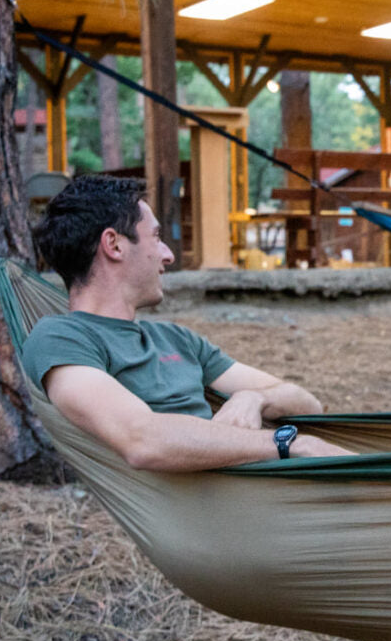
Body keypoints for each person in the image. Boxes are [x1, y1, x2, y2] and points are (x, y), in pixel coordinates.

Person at [21, 174, 351, 470]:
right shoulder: (61, 340)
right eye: (156, 237)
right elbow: (143, 441)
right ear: (114, 245)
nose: (169, 255)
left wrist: (253, 398)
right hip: (211, 509)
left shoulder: (177, 339)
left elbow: (307, 402)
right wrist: (291, 443)